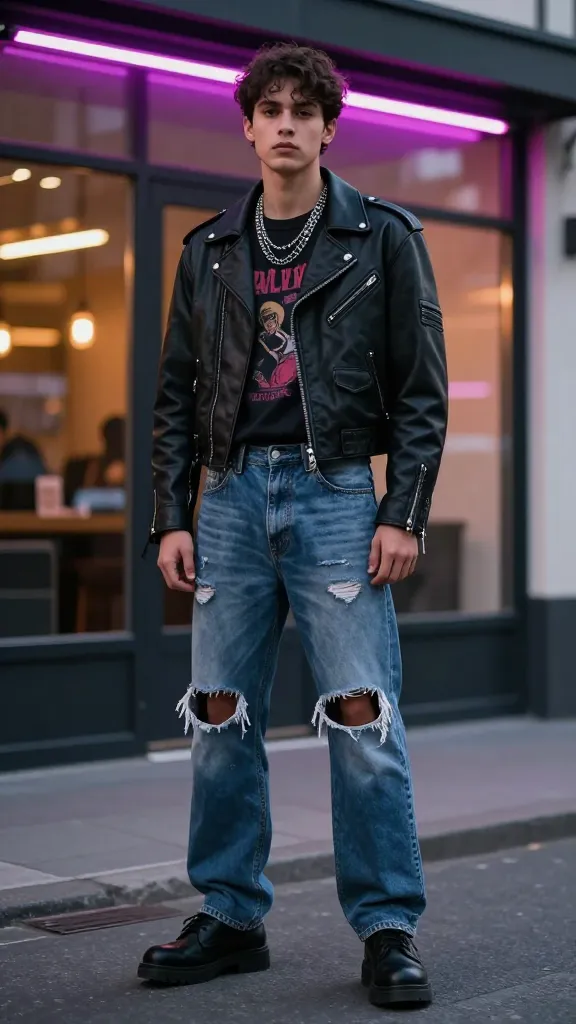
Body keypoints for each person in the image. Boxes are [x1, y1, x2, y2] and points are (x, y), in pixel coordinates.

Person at [140, 43, 448, 1009]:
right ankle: (231, 916)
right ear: (247, 126)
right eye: (266, 108)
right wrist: (168, 516)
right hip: (227, 500)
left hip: (337, 496)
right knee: (219, 721)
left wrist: (403, 512)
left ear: (325, 126)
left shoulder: (382, 237)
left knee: (362, 717)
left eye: (300, 110)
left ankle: (389, 927)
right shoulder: (209, 251)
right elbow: (177, 398)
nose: (283, 123)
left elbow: (421, 394)